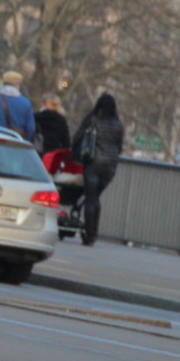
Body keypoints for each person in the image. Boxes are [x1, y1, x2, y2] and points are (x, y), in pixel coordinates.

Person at [71, 92, 125, 246]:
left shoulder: (92, 119)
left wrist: (74, 153)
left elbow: (78, 137)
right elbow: (119, 145)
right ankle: (93, 232)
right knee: (95, 198)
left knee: (90, 197)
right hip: (110, 166)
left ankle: (90, 235)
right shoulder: (118, 124)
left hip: (93, 162)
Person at [0, 70, 36, 142]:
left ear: (4, 84)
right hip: (16, 142)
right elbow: (31, 128)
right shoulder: (26, 103)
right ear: (16, 85)